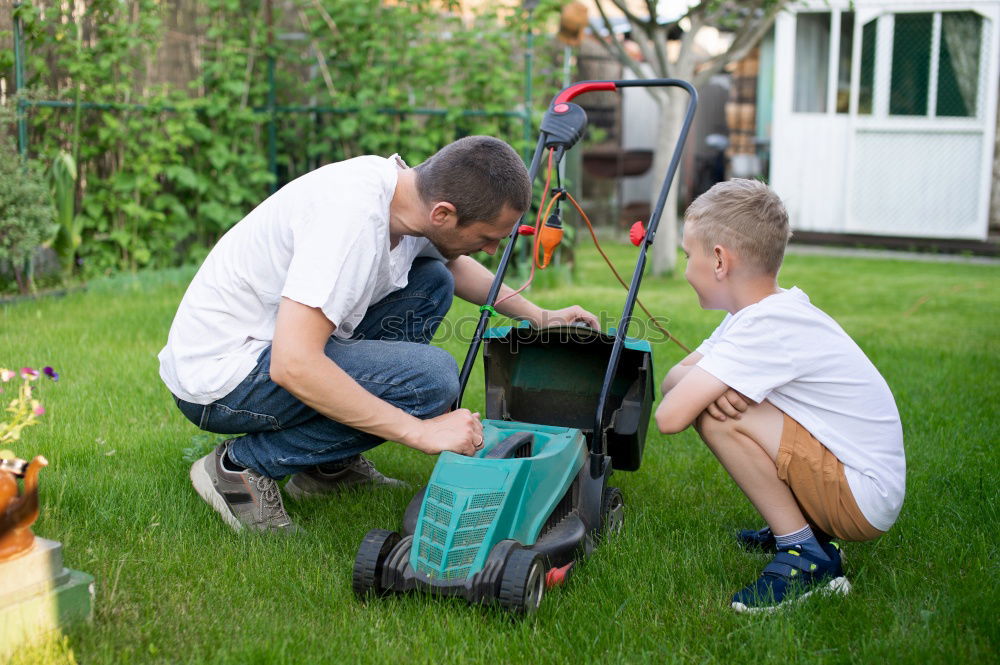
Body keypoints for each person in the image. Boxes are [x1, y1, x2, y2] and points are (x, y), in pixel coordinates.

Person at [159, 136, 598, 533]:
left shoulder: (404, 197)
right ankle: (241, 468)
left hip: (269, 348)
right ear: (443, 213)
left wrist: (537, 315)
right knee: (431, 383)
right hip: (221, 379)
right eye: (486, 238)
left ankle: (327, 468)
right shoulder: (349, 225)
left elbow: (453, 264)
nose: (490, 250)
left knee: (433, 281)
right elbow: (293, 364)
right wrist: (418, 432)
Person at [655, 179, 905, 613]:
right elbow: (672, 380)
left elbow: (670, 416)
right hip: (852, 476)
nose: (683, 268)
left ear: (718, 260)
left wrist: (711, 398)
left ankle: (805, 556)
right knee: (724, 402)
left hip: (862, 496)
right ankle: (804, 529)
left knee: (719, 416)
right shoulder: (756, 314)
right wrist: (711, 390)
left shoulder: (765, 326)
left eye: (686, 255)